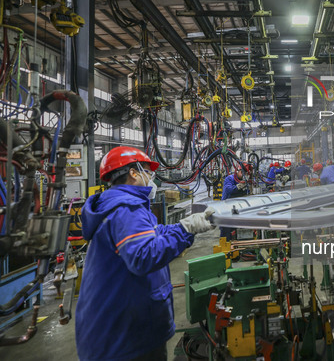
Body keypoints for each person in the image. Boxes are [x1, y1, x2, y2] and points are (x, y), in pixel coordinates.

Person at [76, 146, 215, 361]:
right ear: (133, 173)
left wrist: (185, 226)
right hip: (125, 340)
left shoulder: (118, 204)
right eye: (148, 172)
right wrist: (184, 230)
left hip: (117, 328)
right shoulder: (126, 209)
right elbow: (143, 256)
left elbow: (153, 234)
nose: (151, 178)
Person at [220, 164, 250, 240]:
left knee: (236, 230)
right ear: (237, 171)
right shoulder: (229, 179)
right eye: (242, 173)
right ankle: (226, 248)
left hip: (236, 209)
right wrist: (238, 186)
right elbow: (229, 190)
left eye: (245, 174)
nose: (243, 175)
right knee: (226, 232)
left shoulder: (244, 181)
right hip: (226, 209)